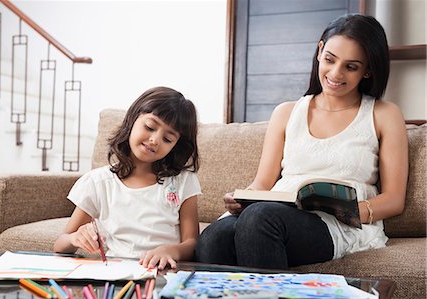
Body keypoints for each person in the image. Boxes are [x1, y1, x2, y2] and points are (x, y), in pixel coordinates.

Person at [195, 14, 408, 269]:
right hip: (275, 213)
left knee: (260, 219)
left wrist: (348, 211)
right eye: (330, 59)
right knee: (213, 237)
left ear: (368, 70)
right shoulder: (286, 112)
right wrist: (242, 199)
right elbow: (263, 182)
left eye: (351, 66)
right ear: (320, 51)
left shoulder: (383, 114)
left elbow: (394, 199)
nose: (335, 73)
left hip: (337, 224)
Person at [54, 86, 201, 270]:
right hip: (117, 274)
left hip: (165, 274)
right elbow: (60, 245)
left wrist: (172, 251)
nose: (155, 140)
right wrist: (75, 239)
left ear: (176, 146)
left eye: (167, 139)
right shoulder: (99, 183)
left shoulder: (182, 181)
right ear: (133, 119)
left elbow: (192, 242)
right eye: (150, 127)